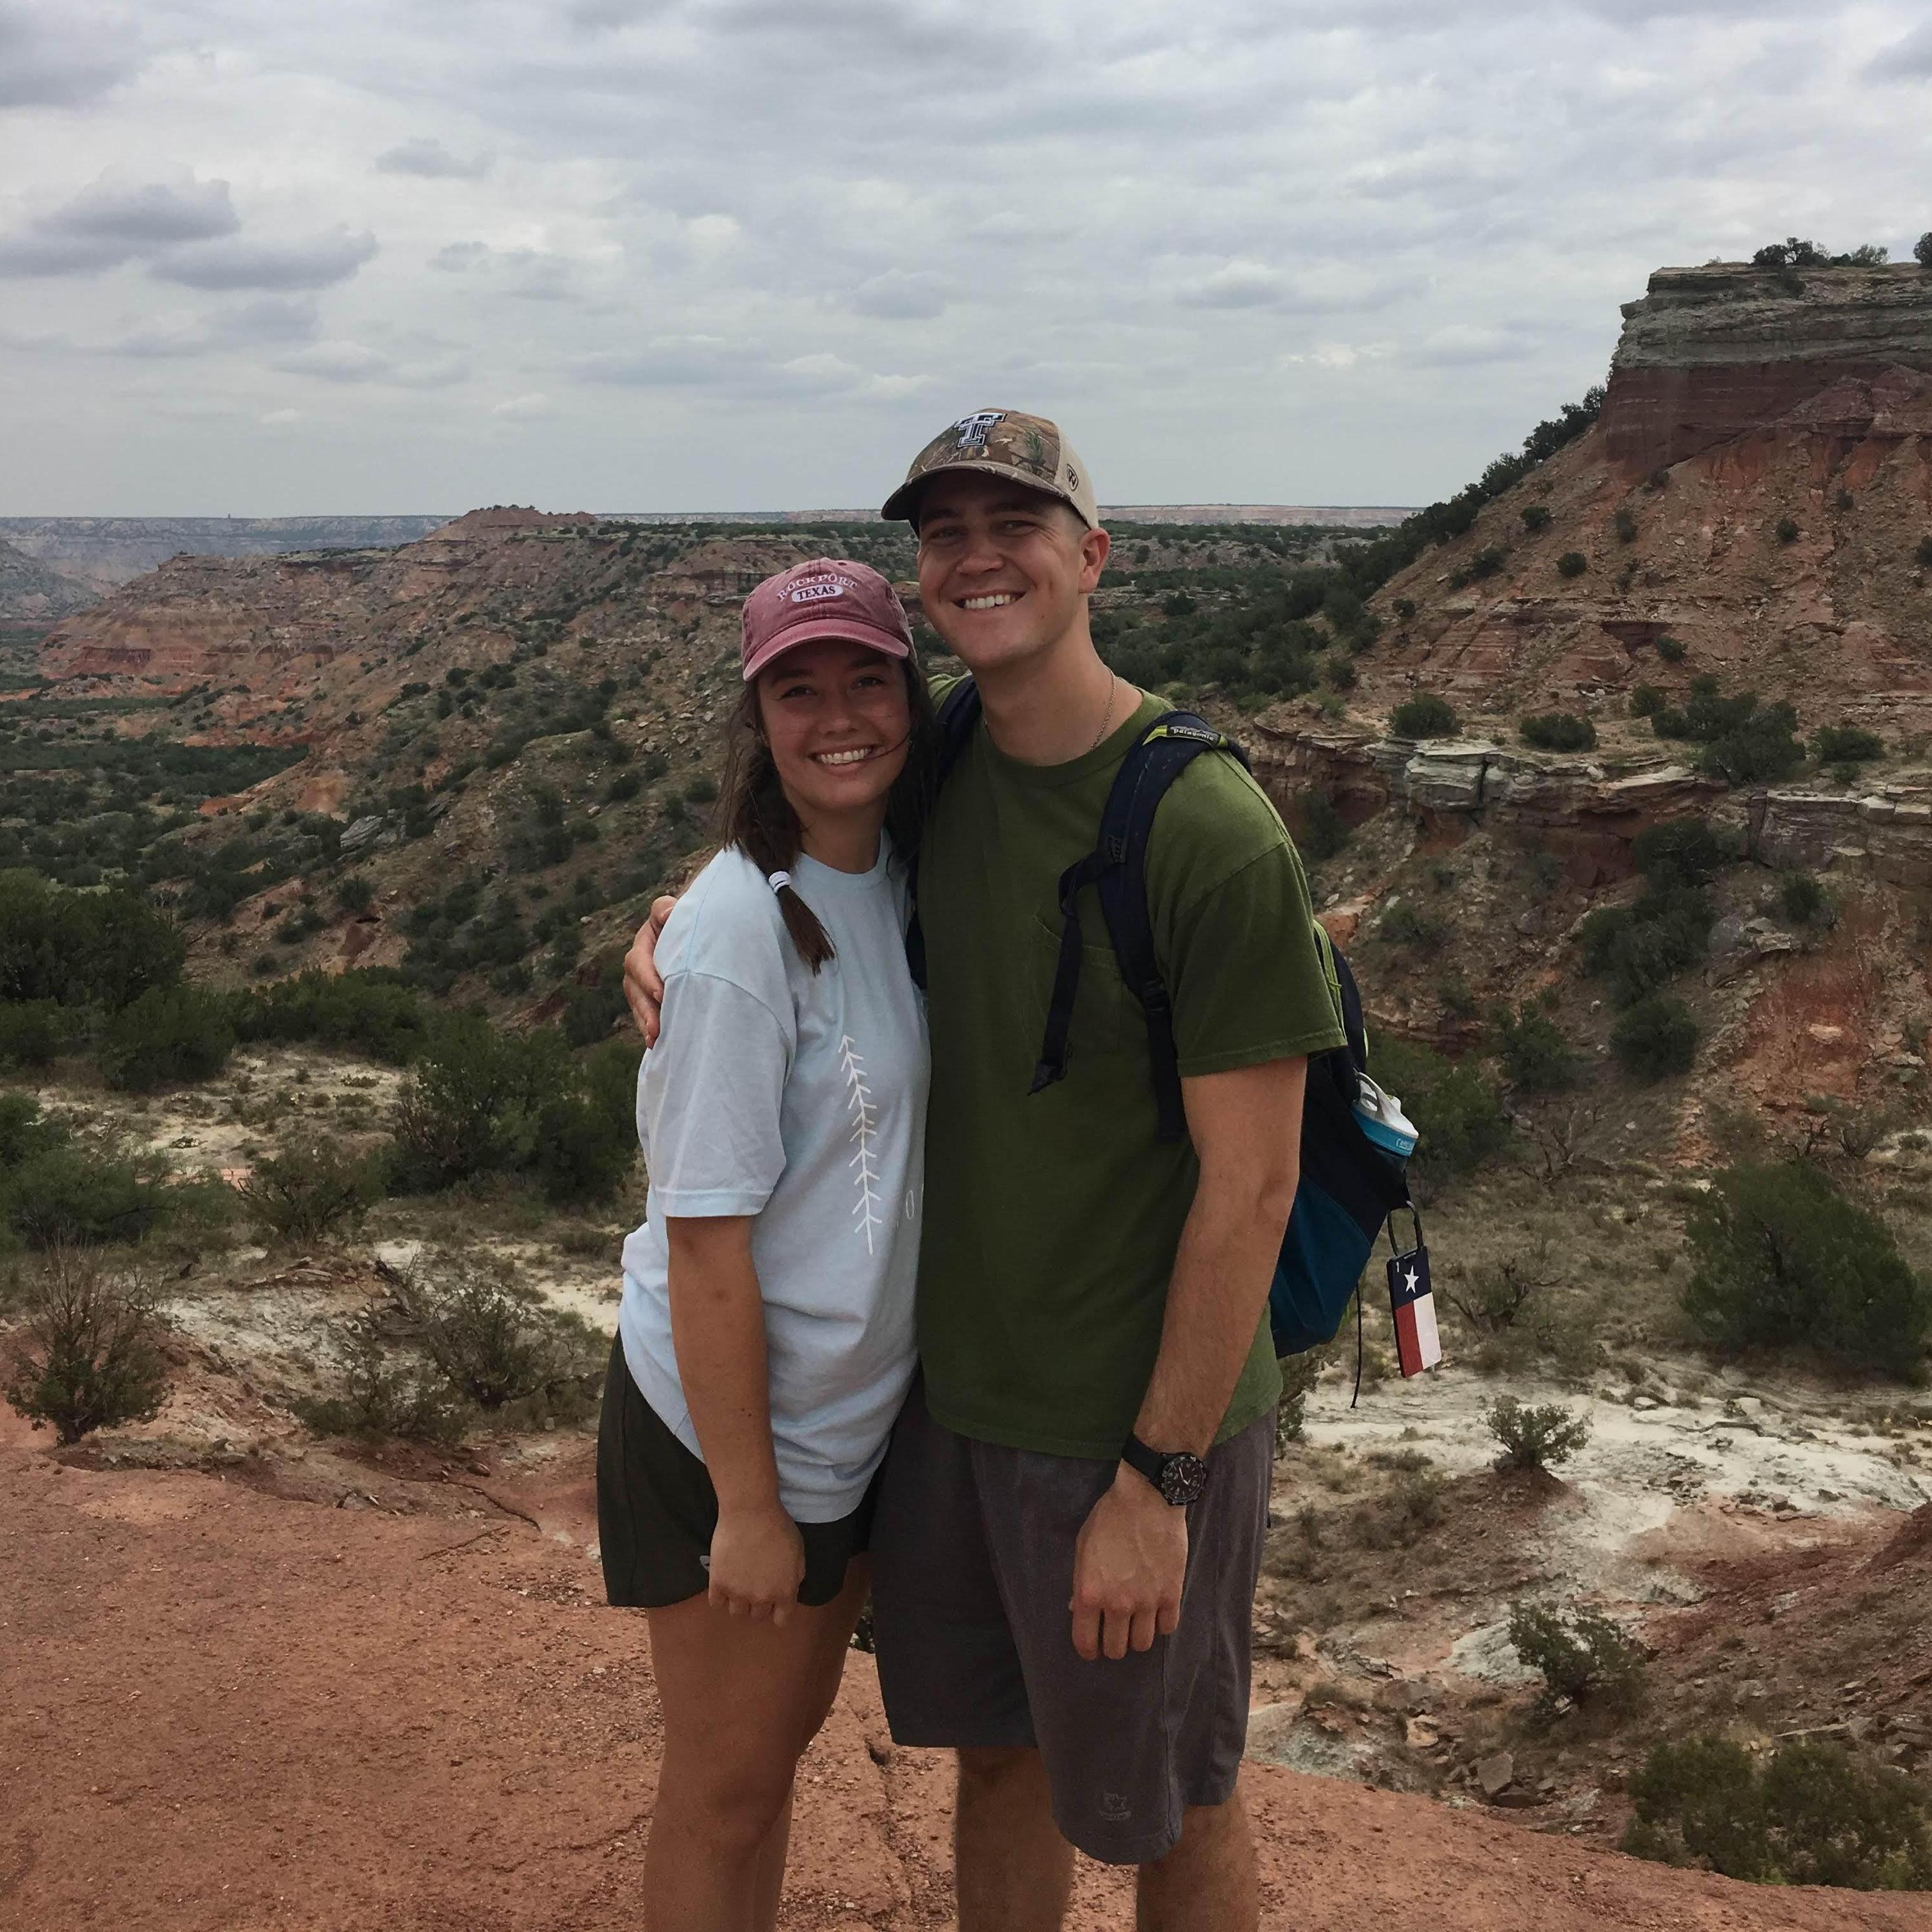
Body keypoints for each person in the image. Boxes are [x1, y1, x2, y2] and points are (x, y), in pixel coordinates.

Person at [625, 412, 1345, 1932]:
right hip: (952, 1414)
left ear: (1091, 555)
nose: (976, 556)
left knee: (1172, 1800)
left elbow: (1253, 1190)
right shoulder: (939, 755)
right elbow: (790, 848)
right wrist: (672, 936)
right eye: (943, 531)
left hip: (1131, 1415)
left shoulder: (1203, 825)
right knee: (1000, 1764)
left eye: (1012, 524)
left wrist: (1157, 1479)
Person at [598, 557, 935, 1932]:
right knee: (723, 1787)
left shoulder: (903, 872)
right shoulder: (738, 934)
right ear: (758, 716)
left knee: (768, 1767)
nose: (837, 714)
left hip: (844, 1415)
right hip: (728, 1438)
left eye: (866, 679)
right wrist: (747, 1502)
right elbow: (706, 1246)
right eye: (798, 690)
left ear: (912, 698)